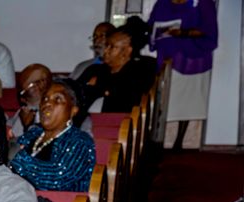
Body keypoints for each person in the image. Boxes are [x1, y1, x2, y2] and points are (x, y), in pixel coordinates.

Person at [148, 0, 218, 150]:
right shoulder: (162, 3)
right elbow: (152, 25)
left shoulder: (203, 3)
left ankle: (179, 141)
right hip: (167, 56)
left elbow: (210, 32)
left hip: (192, 57)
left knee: (188, 100)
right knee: (162, 100)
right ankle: (157, 141)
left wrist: (183, 32)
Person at [9, 81, 95, 192]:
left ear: (73, 111)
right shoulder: (33, 133)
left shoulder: (80, 141)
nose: (47, 103)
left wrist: (17, 157)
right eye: (44, 99)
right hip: (16, 196)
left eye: (57, 99)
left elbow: (57, 179)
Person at [79, 27, 154, 114]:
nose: (106, 50)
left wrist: (97, 86)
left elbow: (125, 96)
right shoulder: (95, 69)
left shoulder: (141, 70)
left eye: (112, 47)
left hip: (120, 119)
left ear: (127, 51)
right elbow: (76, 90)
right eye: (106, 45)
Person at [7, 63, 52, 140]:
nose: (40, 86)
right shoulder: (22, 114)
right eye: (33, 85)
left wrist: (28, 126)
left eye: (43, 81)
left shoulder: (57, 113)